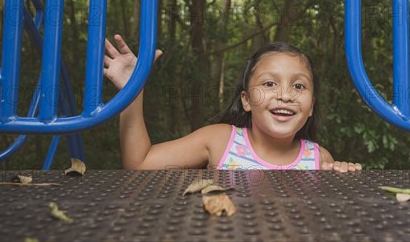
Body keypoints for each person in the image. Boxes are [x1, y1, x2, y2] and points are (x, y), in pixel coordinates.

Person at [104, 34, 362, 172]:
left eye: (299, 86)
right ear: (246, 100)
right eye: (270, 84)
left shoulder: (318, 159)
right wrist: (131, 91)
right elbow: (139, 164)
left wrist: (343, 173)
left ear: (312, 107)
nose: (286, 95)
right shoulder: (219, 141)